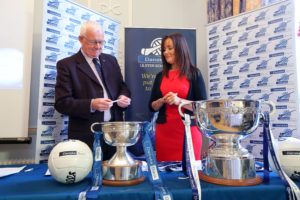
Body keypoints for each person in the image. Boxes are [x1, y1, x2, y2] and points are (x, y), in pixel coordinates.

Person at [55, 21, 131, 161]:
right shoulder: (66, 65)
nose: (98, 47)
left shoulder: (111, 60)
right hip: (86, 137)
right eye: (93, 42)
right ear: (81, 39)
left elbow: (122, 86)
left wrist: (123, 96)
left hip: (115, 135)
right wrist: (91, 104)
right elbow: (61, 103)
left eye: (101, 42)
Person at [148, 33, 207, 161]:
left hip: (189, 134)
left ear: (180, 48)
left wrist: (179, 101)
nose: (165, 52)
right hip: (164, 134)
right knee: (166, 176)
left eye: (170, 48)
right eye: (164, 49)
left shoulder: (194, 74)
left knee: (188, 175)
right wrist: (162, 100)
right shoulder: (160, 76)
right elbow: (152, 106)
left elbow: (202, 108)